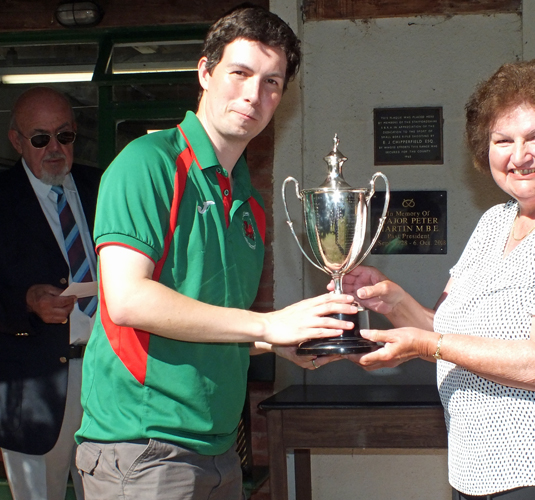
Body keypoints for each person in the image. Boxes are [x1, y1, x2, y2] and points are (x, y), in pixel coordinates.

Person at [340, 59, 535, 500]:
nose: (519, 155)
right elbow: (450, 336)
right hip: (477, 466)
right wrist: (393, 302)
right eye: (502, 140)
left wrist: (423, 345)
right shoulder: (495, 222)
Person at [74, 5, 354, 499]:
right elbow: (128, 300)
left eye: (272, 82)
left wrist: (275, 343)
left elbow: (207, 322)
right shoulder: (147, 163)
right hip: (143, 446)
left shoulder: (248, 200)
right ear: (205, 72)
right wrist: (266, 324)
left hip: (220, 447)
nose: (254, 94)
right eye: (240, 73)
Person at [0, 86, 102, 500]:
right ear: (17, 141)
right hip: (35, 386)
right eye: (41, 139)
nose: (55, 148)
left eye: (65, 136)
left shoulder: (104, 185)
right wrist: (25, 302)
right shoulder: (3, 198)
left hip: (109, 374)